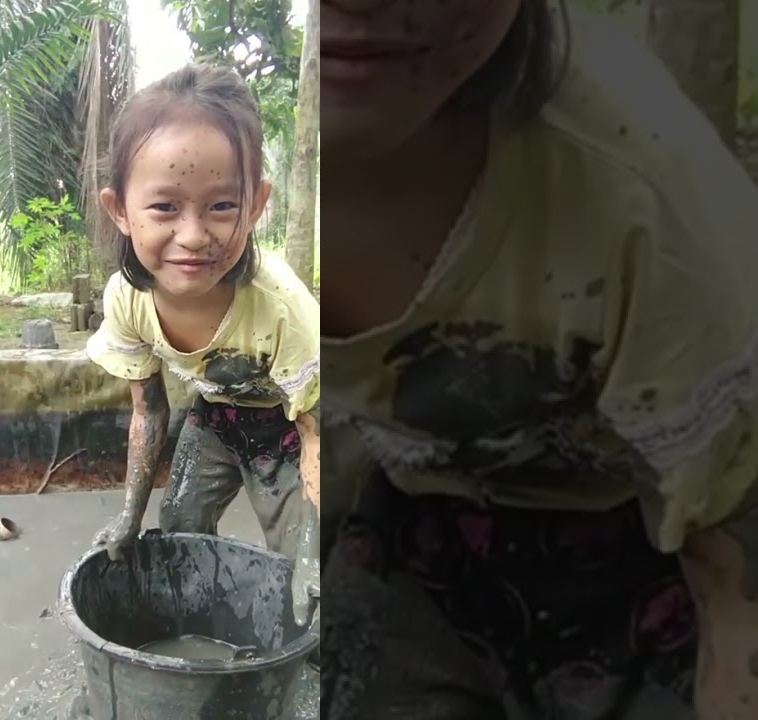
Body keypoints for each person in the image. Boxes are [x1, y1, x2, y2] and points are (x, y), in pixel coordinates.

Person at [320, 1, 758, 719]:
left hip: (642, 545)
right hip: (411, 527)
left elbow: (736, 544)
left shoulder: (649, 205)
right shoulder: (221, 237)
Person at [85, 63, 322, 624]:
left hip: (293, 430)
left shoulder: (281, 308)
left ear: (257, 204)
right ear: (120, 209)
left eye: (221, 206)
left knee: (302, 572)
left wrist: (313, 550)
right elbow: (149, 409)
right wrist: (128, 516)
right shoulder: (127, 299)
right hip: (216, 416)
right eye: (165, 206)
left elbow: (319, 433)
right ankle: (192, 640)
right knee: (180, 525)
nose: (193, 236)